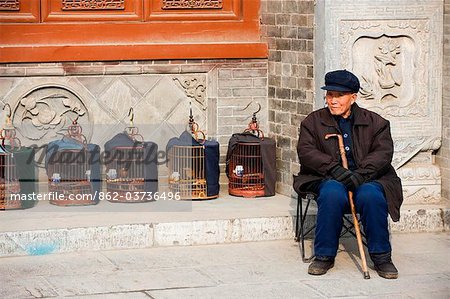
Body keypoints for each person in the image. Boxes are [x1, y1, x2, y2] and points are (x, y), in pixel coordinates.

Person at [293, 69, 403, 279]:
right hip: (327, 177)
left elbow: (383, 153)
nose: (333, 100)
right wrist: (334, 169)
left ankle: (381, 256)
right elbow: (306, 152)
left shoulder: (376, 122)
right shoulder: (312, 122)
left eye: (339, 95)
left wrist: (361, 174)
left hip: (368, 178)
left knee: (370, 195)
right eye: (329, 95)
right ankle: (324, 255)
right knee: (332, 192)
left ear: (353, 97)